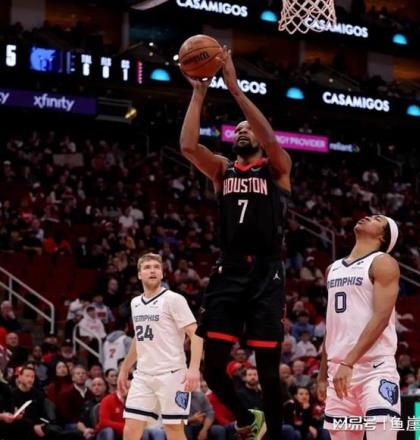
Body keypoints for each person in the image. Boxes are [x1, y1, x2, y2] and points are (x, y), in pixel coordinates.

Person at [180, 47, 292, 440]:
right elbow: (188, 147)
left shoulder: (277, 168)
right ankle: (248, 418)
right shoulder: (221, 170)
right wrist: (198, 93)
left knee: (268, 372)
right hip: (228, 271)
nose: (242, 130)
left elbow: (270, 138)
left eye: (249, 128)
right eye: (238, 128)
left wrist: (235, 88)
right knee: (212, 368)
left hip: (266, 273)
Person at [318, 215, 401, 439]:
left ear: (383, 236)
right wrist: (322, 375)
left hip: (375, 370)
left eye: (376, 219)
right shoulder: (332, 269)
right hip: (338, 373)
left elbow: (382, 317)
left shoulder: (383, 262)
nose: (368, 217)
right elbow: (332, 326)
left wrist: (349, 362)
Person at [117, 253, 203, 440]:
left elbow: (196, 334)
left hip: (172, 374)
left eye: (156, 267)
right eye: (147, 267)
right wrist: (124, 368)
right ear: (139, 274)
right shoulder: (135, 303)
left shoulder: (174, 299)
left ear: (162, 273)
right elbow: (139, 338)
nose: (152, 270)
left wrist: (194, 368)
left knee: (173, 429)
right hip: (143, 375)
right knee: (130, 428)